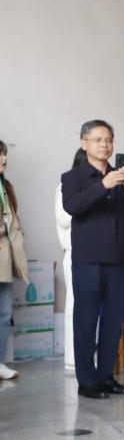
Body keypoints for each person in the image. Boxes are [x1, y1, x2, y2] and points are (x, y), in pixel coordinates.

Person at [61, 120, 124, 399]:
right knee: (86, 321)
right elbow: (73, 206)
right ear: (84, 143)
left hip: (119, 259)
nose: (105, 145)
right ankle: (87, 382)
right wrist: (103, 185)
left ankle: (105, 376)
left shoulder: (120, 176)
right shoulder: (72, 177)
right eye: (98, 139)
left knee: (113, 321)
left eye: (109, 140)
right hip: (88, 260)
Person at [0, 140, 28, 382]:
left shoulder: (6, 186)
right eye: (0, 155)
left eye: (4, 154)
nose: (4, 159)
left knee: (4, 312)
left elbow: (14, 219)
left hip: (5, 259)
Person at [55, 151, 82, 373]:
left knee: (93, 307)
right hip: (74, 252)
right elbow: (63, 218)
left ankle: (89, 356)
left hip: (95, 252)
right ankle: (72, 360)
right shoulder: (65, 185)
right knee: (74, 306)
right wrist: (87, 202)